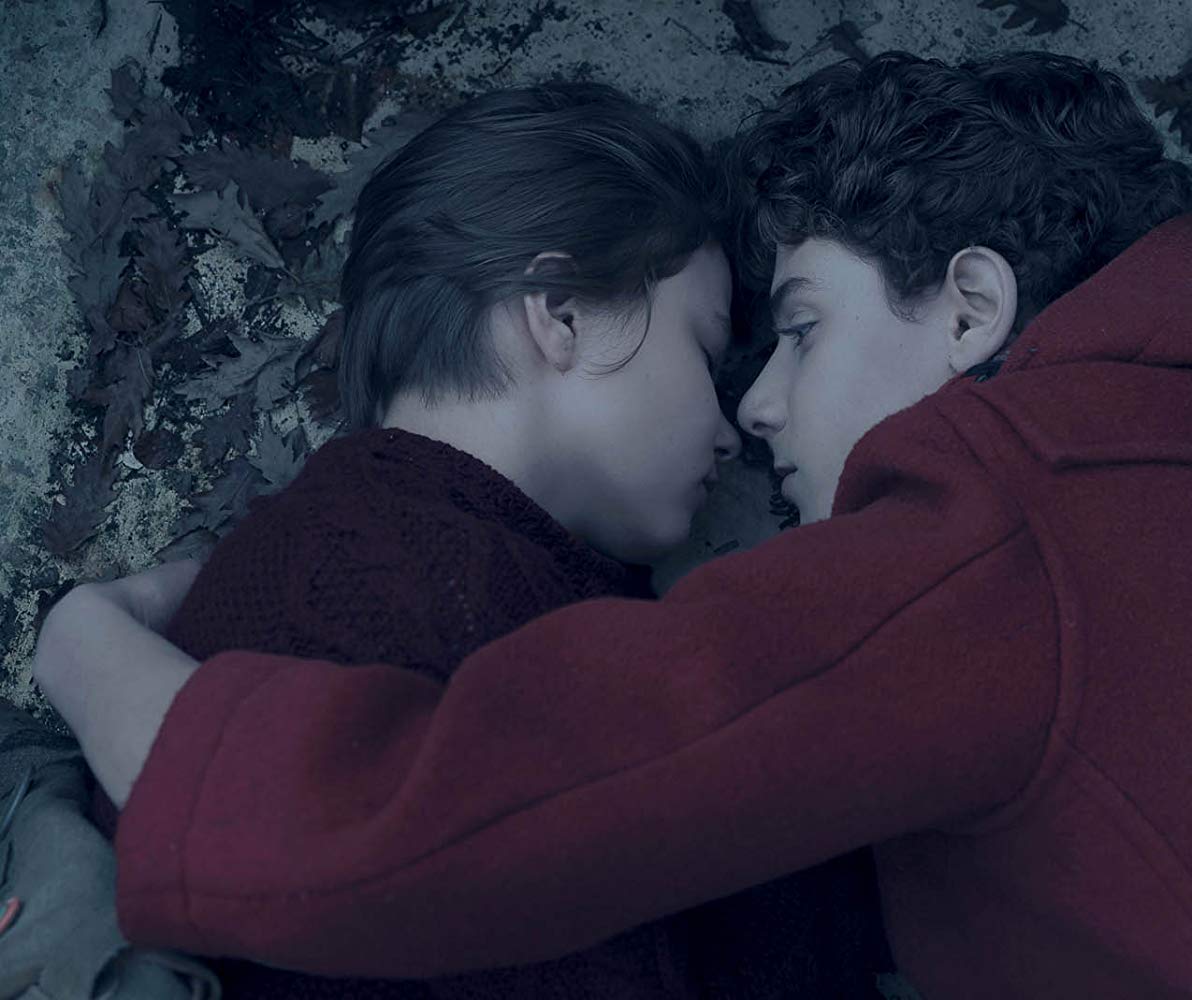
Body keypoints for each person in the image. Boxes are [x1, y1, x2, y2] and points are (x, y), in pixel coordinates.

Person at [37, 51, 1192, 999]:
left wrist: (84, 638)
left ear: (971, 309)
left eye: (796, 329)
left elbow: (404, 831)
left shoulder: (1009, 516)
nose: (758, 407)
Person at [79, 83, 892, 999]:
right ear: (561, 314)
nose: (731, 428)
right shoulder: (378, 578)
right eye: (706, 354)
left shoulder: (423, 555)